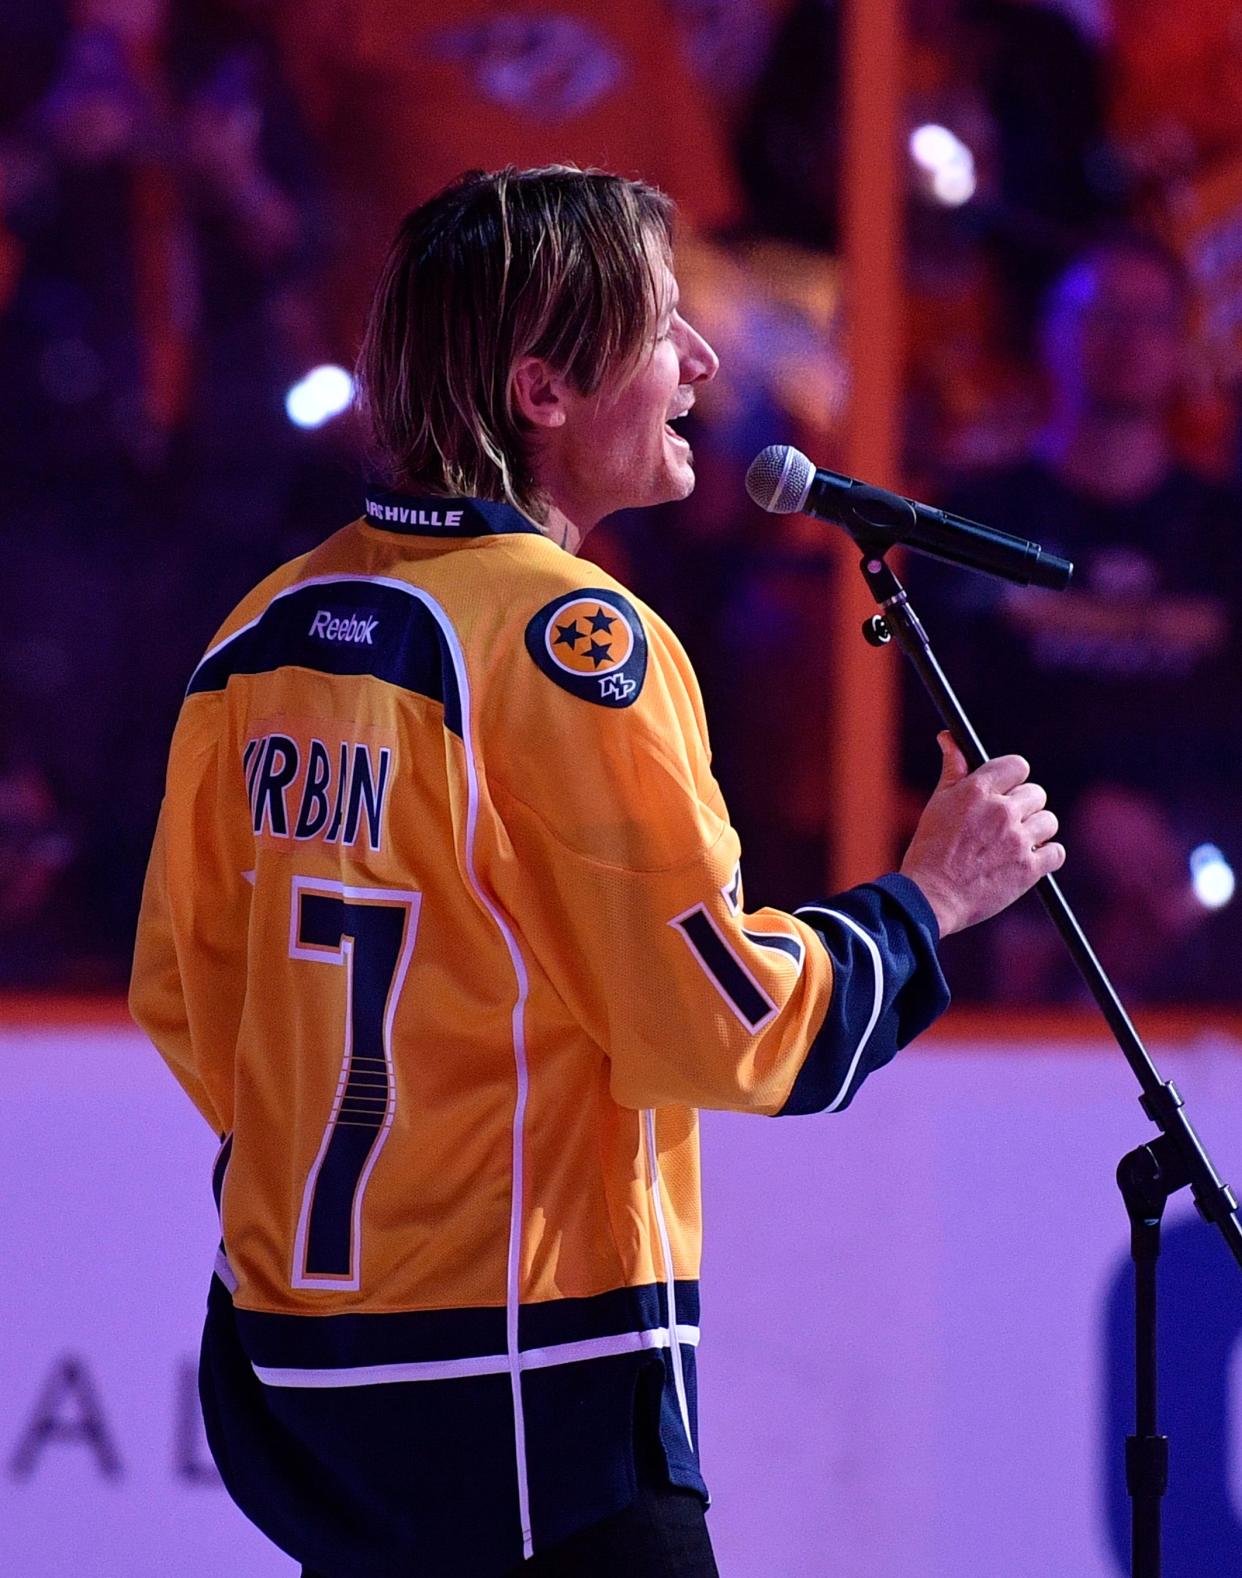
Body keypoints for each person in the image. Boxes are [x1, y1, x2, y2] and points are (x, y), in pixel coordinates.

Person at [130, 165, 1062, 1578]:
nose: (700, 359)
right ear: (542, 393)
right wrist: (928, 902)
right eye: (659, 324)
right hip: (525, 1397)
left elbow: (186, 1001)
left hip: (302, 1384)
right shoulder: (573, 643)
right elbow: (733, 1029)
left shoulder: (261, 631)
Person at [904, 232, 1242, 1004]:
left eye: (1153, 319)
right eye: (1103, 315)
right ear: (1049, 332)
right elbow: (927, 717)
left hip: (1208, 896)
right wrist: (1076, 809)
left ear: (1184, 343)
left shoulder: (1227, 533)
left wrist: (1178, 831)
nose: (1128, 341)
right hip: (1015, 888)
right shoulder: (975, 521)